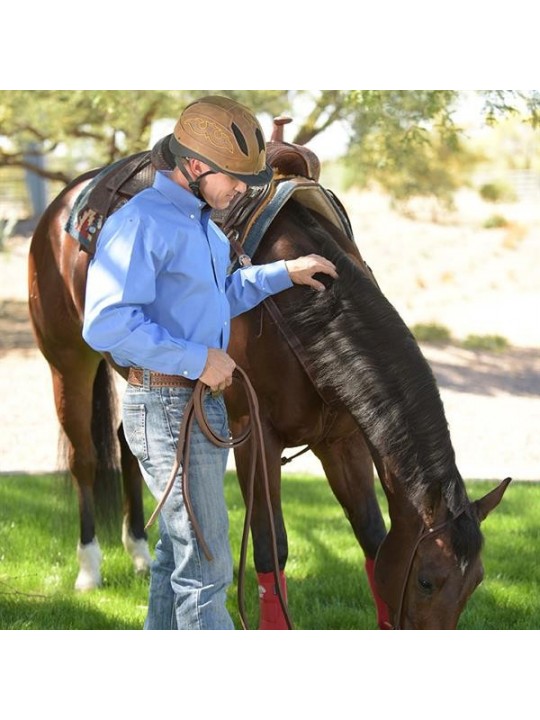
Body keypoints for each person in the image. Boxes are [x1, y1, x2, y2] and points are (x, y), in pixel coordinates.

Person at [82, 95, 338, 630]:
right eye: (235, 178)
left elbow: (220, 291)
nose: (243, 190)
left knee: (179, 556)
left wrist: (283, 272)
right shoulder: (141, 224)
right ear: (195, 166)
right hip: (167, 404)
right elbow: (104, 324)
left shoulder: (201, 221)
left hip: (194, 404)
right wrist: (196, 358)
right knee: (208, 566)